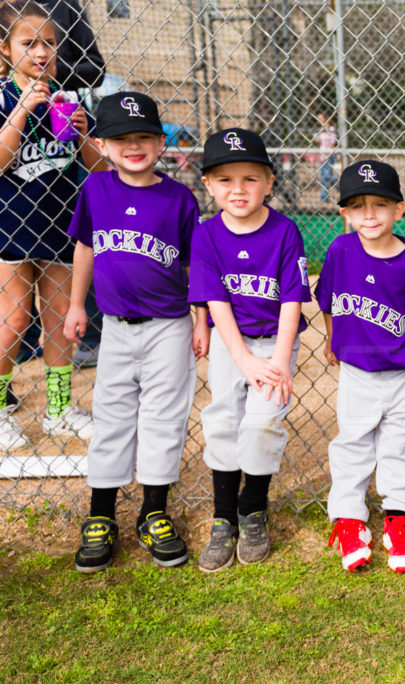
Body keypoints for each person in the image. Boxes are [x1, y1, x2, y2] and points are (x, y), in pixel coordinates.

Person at [64, 92, 204, 572]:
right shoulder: (96, 191)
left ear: (160, 142)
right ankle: (101, 515)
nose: (134, 145)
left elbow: (193, 266)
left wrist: (200, 319)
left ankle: (153, 512)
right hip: (117, 330)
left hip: (169, 325)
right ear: (101, 144)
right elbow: (84, 250)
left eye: (144, 136)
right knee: (112, 418)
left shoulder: (179, 198)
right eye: (122, 139)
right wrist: (76, 304)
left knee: (164, 418)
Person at [190, 128, 310, 572]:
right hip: (231, 343)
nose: (237, 189)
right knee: (223, 419)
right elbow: (216, 302)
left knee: (261, 422)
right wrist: (242, 359)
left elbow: (291, 299)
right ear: (208, 185)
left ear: (269, 182)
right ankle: (223, 519)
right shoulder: (206, 234)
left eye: (249, 179)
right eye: (225, 179)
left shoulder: (284, 231)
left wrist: (278, 362)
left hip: (276, 340)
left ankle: (252, 507)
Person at [317, 159, 405, 574]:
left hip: (403, 374)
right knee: (351, 445)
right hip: (356, 372)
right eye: (358, 206)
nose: (369, 214)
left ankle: (398, 518)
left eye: (380, 204)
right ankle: (350, 520)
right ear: (345, 214)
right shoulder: (340, 250)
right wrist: (332, 338)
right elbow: (329, 302)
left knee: (400, 449)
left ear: (399, 210)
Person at [0, 0, 103, 449]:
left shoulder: (69, 100)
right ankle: (1, 406)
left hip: (61, 225)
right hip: (12, 228)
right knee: (15, 318)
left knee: (62, 319)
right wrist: (21, 111)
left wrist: (82, 134)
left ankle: (60, 408)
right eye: (29, 43)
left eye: (50, 43)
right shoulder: (3, 98)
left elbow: (100, 170)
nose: (42, 52)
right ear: (5, 49)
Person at [313, 112, 337, 202]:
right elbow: (318, 141)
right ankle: (324, 195)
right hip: (321, 154)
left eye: (320, 118)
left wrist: (325, 156)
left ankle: (338, 184)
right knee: (323, 176)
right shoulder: (321, 129)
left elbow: (332, 143)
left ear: (326, 118)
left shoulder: (331, 129)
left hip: (329, 155)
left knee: (327, 176)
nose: (319, 120)